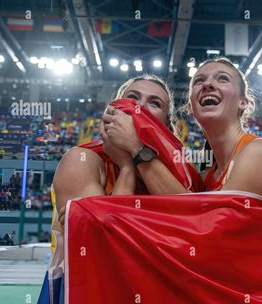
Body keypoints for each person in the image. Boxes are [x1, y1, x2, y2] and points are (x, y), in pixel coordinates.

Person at [105, 57, 262, 206]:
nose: (207, 85)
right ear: (190, 107)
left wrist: (138, 150)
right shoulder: (205, 175)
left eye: (223, 78)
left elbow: (206, 223)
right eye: (199, 81)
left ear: (243, 102)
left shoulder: (261, 152)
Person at [54, 74, 177, 229]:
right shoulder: (81, 159)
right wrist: (127, 168)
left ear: (166, 125)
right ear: (113, 109)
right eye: (133, 97)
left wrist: (135, 151)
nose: (140, 107)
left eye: (155, 103)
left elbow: (187, 228)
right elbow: (100, 236)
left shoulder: (178, 170)